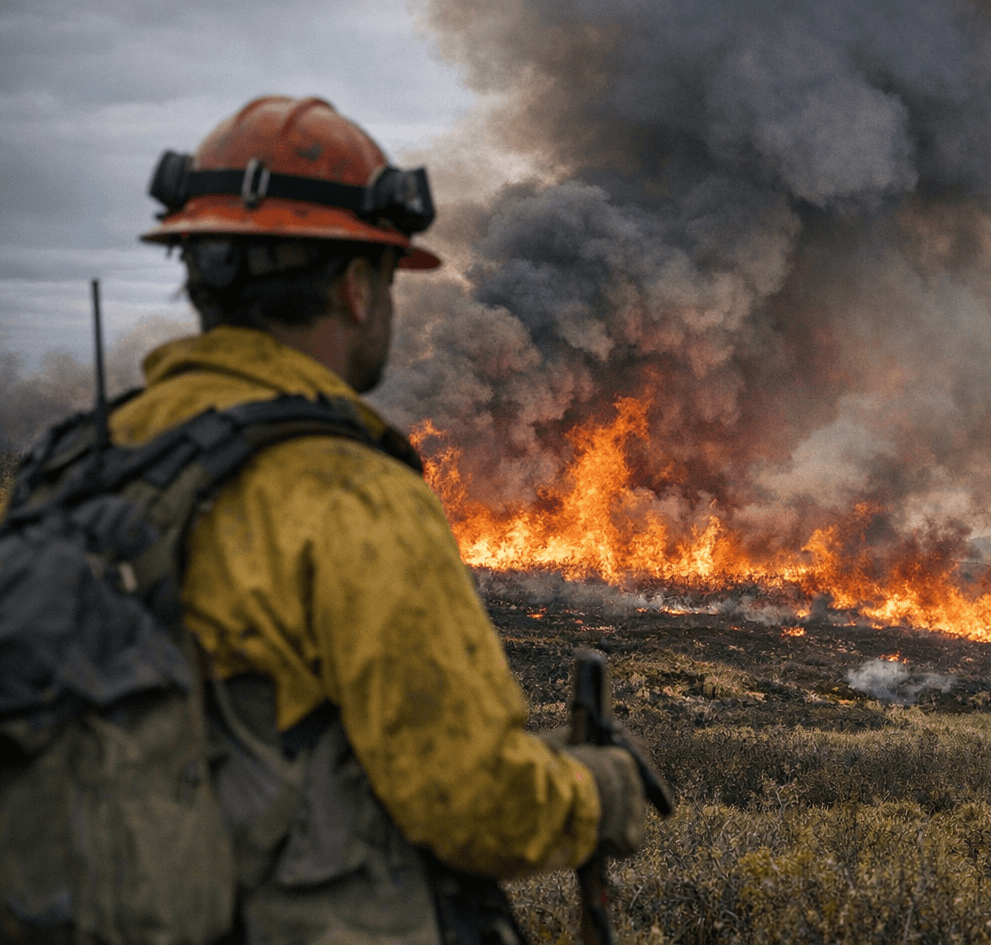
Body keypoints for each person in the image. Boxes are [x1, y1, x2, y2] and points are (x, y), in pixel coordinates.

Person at [122, 95, 646, 943]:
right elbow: (478, 804)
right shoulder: (349, 493)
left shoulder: (74, 467)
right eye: (390, 274)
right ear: (356, 288)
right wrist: (601, 789)